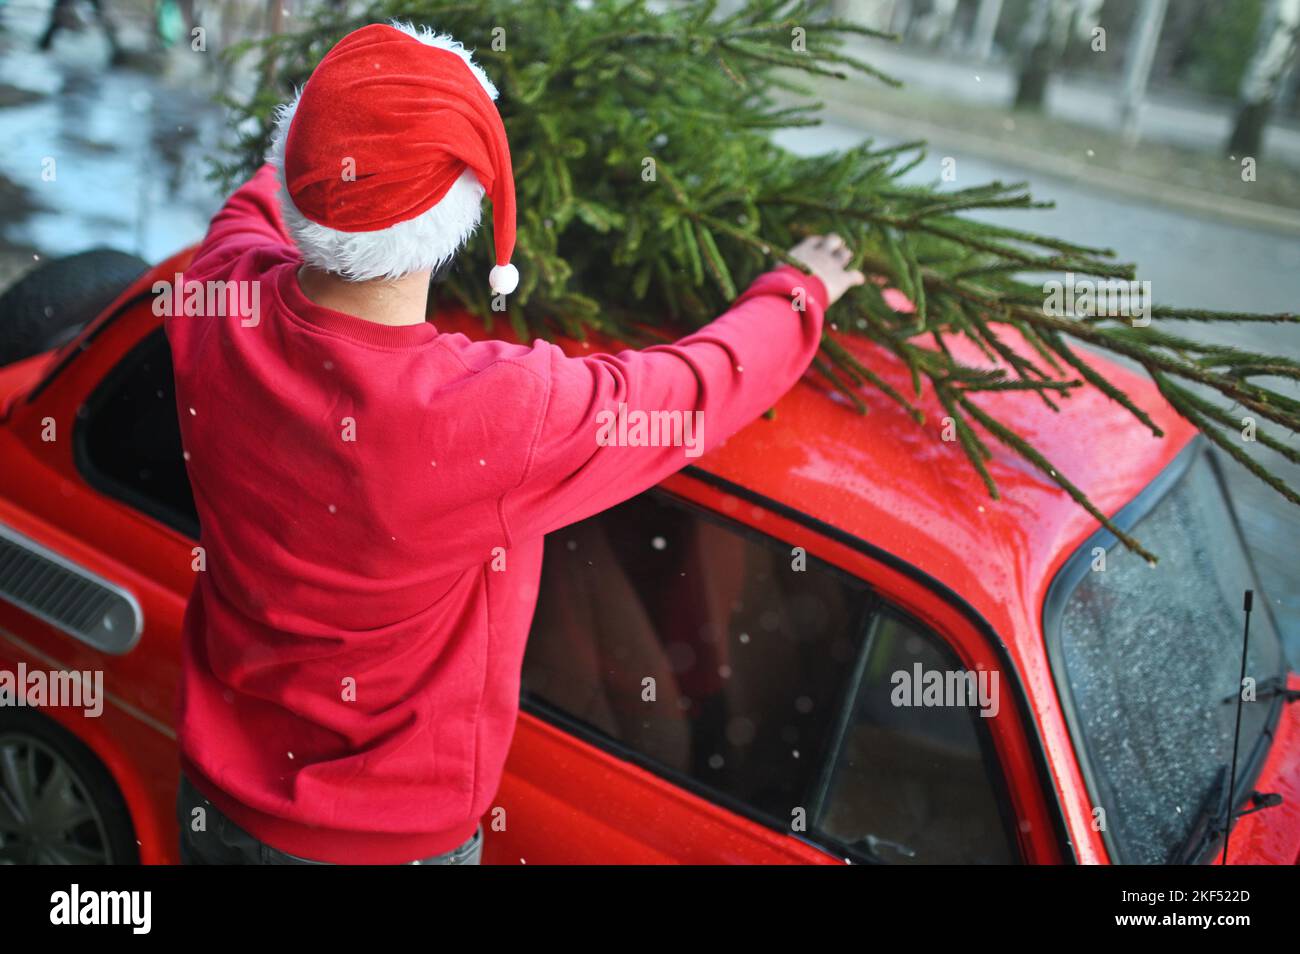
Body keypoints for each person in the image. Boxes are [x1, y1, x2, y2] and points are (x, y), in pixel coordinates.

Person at [168, 20, 864, 865]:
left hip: (216, 809)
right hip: (389, 846)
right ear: (465, 208)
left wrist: (337, 131)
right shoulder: (494, 415)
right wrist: (802, 291)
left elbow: (254, 206)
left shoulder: (213, 294)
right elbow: (693, 392)